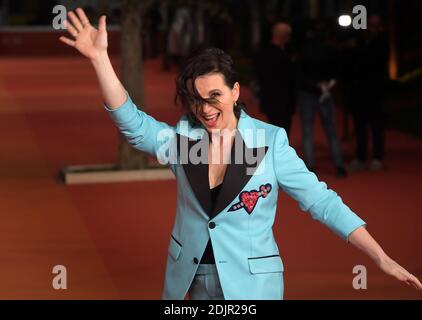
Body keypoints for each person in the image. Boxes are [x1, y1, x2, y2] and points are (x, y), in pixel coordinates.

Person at [59, 8, 422, 299]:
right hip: (191, 279)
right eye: (196, 100)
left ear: (234, 91)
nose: (205, 109)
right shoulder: (184, 138)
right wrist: (100, 59)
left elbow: (322, 202)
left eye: (214, 96)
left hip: (253, 286)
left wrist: (381, 257)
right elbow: (132, 124)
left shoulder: (269, 141)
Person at [296, 21, 347, 177]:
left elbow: (298, 75)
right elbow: (338, 70)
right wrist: (327, 85)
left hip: (307, 93)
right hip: (324, 92)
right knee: (330, 130)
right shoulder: (330, 51)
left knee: (308, 130)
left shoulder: (303, 51)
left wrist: (314, 85)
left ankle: (310, 166)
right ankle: (339, 165)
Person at [348, 15, 389, 172]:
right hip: (358, 93)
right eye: (369, 25)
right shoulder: (360, 43)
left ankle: (377, 157)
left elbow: (375, 65)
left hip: (375, 93)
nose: (371, 28)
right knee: (359, 126)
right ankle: (360, 156)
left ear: (379, 27)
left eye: (374, 26)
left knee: (376, 126)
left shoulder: (382, 44)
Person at [255, 22, 296, 137]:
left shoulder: (263, 53)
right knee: (281, 134)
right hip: (281, 102)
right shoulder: (282, 55)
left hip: (271, 100)